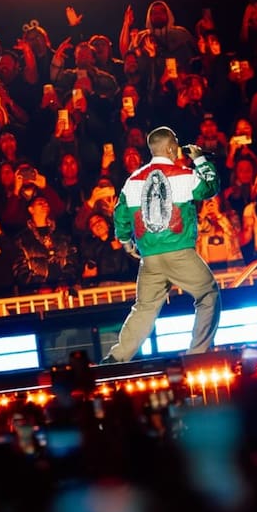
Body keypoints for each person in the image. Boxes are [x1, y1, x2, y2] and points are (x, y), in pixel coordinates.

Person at [101, 126, 221, 363]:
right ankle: (197, 354)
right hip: (180, 252)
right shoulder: (184, 175)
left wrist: (126, 242)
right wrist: (200, 159)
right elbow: (211, 187)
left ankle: (116, 357)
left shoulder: (132, 181)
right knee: (208, 295)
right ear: (171, 148)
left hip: (150, 258)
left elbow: (120, 215)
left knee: (144, 308)